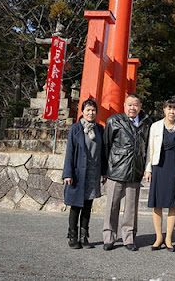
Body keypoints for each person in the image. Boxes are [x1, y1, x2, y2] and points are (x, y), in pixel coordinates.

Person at [102, 94, 152, 251]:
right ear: (124, 105)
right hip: (116, 168)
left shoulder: (146, 123)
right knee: (112, 205)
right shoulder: (113, 121)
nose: (132, 108)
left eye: (136, 105)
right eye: (129, 104)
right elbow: (106, 145)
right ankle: (109, 237)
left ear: (140, 106)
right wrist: (105, 169)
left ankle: (129, 238)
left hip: (135, 170)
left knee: (131, 207)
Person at [144, 98, 175, 251]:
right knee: (157, 204)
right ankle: (159, 237)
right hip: (159, 167)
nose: (172, 112)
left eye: (174, 109)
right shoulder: (155, 127)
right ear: (163, 110)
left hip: (174, 168)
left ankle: (169, 238)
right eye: (169, 108)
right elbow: (150, 148)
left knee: (172, 204)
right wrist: (148, 169)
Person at [62, 98, 106, 249]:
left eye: (93, 110)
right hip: (78, 173)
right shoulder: (75, 129)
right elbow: (69, 152)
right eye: (88, 110)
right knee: (75, 206)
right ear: (82, 112)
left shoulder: (100, 129)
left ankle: (84, 236)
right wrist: (68, 173)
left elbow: (104, 153)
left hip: (93, 173)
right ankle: (72, 236)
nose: (91, 113)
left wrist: (104, 172)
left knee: (88, 206)